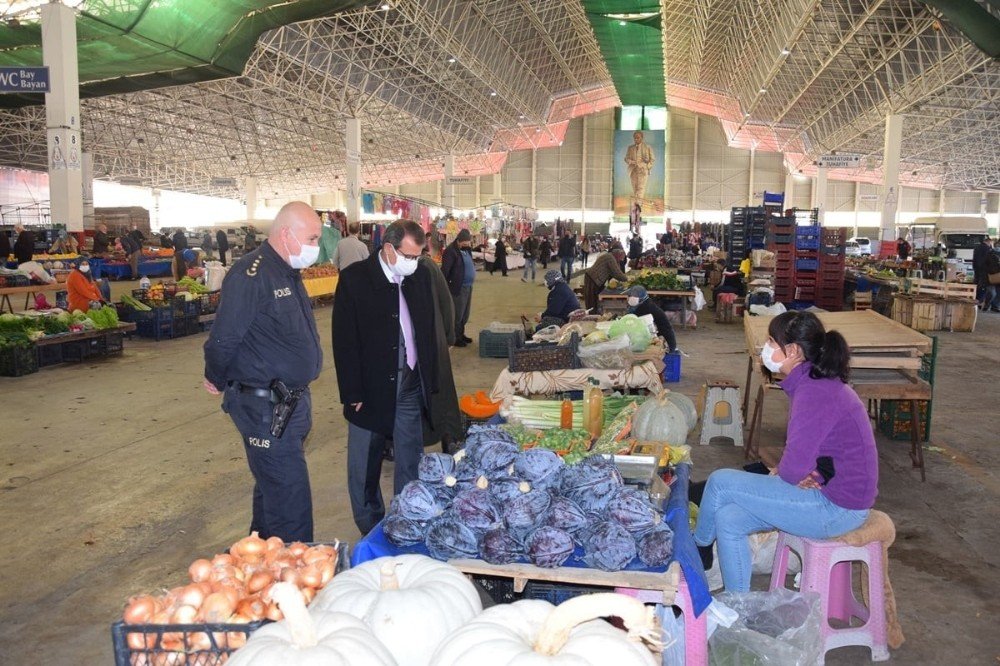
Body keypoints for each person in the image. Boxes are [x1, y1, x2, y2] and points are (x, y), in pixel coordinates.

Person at [693, 311, 876, 592]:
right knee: (728, 519)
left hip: (837, 509)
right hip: (830, 491)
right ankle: (740, 606)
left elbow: (792, 470)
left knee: (719, 482)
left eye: (770, 341)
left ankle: (698, 550)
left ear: (792, 351)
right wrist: (806, 472)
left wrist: (798, 471)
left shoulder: (814, 392)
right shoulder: (814, 384)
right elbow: (813, 457)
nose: (765, 348)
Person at [202, 202, 323, 543]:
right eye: (312, 238)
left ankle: (257, 557)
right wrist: (215, 376)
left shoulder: (286, 270)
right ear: (286, 234)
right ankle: (293, 580)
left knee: (272, 488)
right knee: (290, 502)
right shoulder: (250, 275)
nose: (316, 246)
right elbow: (223, 339)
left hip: (290, 404)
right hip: (264, 408)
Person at [334, 220, 439, 535]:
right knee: (365, 463)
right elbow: (345, 340)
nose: (414, 262)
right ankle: (371, 525)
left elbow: (427, 326)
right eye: (409, 255)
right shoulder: (355, 280)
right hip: (371, 386)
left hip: (408, 382)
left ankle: (406, 520)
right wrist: (352, 391)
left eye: (419, 255)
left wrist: (429, 379)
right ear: (389, 249)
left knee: (410, 456)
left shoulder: (418, 276)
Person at [419, 252, 461, 454]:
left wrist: (449, 336)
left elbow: (446, 302)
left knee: (440, 393)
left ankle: (449, 437)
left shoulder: (426, 266)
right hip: (416, 344)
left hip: (433, 341)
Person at [442, 229, 475, 347]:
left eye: (468, 243)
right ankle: (455, 338)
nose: (467, 245)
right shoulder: (450, 251)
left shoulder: (466, 250)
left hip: (468, 286)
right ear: (459, 241)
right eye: (465, 243)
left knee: (465, 314)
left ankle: (461, 334)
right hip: (458, 287)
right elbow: (445, 270)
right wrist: (445, 287)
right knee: (458, 314)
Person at [624, 285, 677, 353]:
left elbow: (631, 320)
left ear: (636, 298)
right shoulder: (644, 303)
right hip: (659, 337)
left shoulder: (646, 308)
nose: (628, 298)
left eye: (629, 296)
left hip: (665, 342)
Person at [625, 131, 654, 201]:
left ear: (642, 138)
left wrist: (647, 167)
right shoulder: (630, 148)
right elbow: (626, 158)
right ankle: (637, 205)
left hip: (643, 171)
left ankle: (638, 207)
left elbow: (652, 159)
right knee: (635, 189)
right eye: (634, 138)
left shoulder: (647, 147)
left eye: (638, 138)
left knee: (641, 189)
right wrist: (631, 162)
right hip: (633, 171)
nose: (636, 139)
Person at [972, 236, 993, 309]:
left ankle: (975, 300)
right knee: (983, 287)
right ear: (989, 241)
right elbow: (988, 260)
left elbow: (974, 260)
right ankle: (979, 302)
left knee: (977, 284)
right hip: (984, 270)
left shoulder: (977, 247)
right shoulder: (987, 249)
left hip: (977, 269)